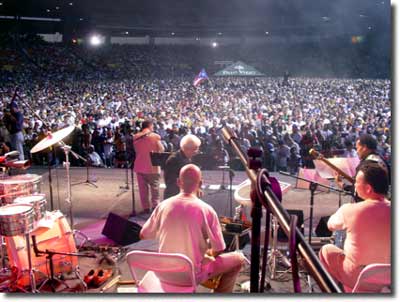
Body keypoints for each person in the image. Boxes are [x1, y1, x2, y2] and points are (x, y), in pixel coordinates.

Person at [140, 164, 246, 293]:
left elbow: (143, 235)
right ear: (200, 183)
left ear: (178, 182)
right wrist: (208, 254)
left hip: (162, 273)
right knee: (238, 259)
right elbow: (219, 249)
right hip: (190, 276)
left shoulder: (162, 206)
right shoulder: (206, 210)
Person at [319, 162, 391, 290]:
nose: (355, 185)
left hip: (356, 275)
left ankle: (340, 290)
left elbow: (330, 225)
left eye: (356, 182)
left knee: (326, 250)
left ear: (368, 188)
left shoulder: (349, 210)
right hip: (387, 277)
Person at [336, 134, 390, 202]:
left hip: (368, 206)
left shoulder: (366, 166)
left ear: (364, 147)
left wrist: (342, 184)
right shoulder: (382, 160)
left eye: (357, 148)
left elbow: (359, 191)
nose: (357, 151)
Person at [133, 120, 165, 213]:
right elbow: (161, 150)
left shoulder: (136, 137)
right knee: (155, 189)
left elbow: (136, 150)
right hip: (153, 167)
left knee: (143, 189)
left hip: (139, 165)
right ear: (150, 126)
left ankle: (146, 208)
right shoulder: (156, 136)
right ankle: (155, 206)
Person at [163, 134, 201, 199]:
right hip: (175, 197)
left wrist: (196, 188)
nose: (197, 152)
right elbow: (171, 183)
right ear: (186, 149)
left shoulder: (189, 157)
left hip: (186, 194)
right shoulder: (173, 160)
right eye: (195, 149)